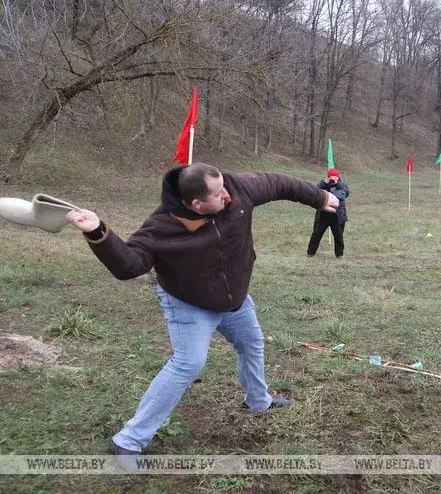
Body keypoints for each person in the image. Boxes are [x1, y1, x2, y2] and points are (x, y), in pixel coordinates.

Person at [65, 163, 340, 456]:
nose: (228, 195)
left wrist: (320, 197)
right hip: (189, 303)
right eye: (218, 194)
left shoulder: (237, 188)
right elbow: (128, 265)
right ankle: (128, 440)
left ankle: (258, 401)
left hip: (234, 298)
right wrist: (98, 232)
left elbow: (280, 183)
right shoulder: (161, 228)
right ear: (196, 204)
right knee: (189, 364)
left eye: (224, 186)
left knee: (251, 343)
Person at [306, 168, 350, 258]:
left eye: (335, 177)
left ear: (338, 177)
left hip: (337, 216)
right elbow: (315, 191)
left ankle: (339, 254)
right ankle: (310, 253)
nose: (332, 180)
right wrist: (324, 183)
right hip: (323, 215)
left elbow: (344, 194)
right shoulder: (324, 184)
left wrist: (338, 184)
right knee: (316, 234)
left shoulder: (343, 185)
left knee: (339, 237)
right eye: (331, 177)